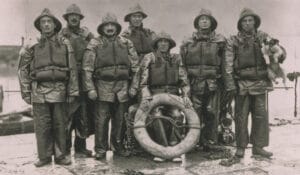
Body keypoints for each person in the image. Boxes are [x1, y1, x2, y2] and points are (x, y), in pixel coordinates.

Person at [18, 8, 78, 167]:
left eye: (49, 21)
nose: (46, 24)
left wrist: (72, 90)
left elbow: (72, 68)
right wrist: (25, 91)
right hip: (39, 90)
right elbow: (22, 68)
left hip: (60, 89)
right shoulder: (32, 43)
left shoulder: (65, 43)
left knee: (61, 124)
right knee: (42, 125)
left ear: (55, 24)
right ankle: (44, 156)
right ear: (39, 25)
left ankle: (61, 155)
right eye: (42, 22)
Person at [223, 8, 286, 158]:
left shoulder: (263, 37)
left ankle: (258, 147)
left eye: (250, 20)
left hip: (260, 83)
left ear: (255, 22)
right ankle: (240, 147)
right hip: (241, 84)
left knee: (260, 117)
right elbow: (227, 64)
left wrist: (279, 53)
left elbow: (279, 52)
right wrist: (230, 84)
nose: (247, 23)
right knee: (241, 117)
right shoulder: (234, 40)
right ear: (240, 24)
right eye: (244, 21)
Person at [82, 12, 139, 160]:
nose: (109, 28)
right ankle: (100, 149)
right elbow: (87, 68)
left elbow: (135, 68)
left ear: (117, 27)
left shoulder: (126, 43)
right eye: (106, 25)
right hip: (102, 87)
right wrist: (90, 88)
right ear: (102, 28)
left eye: (112, 25)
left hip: (122, 87)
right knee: (101, 120)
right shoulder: (95, 44)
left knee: (120, 119)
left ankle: (118, 146)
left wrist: (134, 86)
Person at [132, 32, 190, 162]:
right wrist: (146, 97)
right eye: (161, 41)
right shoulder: (149, 58)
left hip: (173, 96)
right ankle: (162, 150)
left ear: (170, 44)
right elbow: (143, 83)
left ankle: (174, 150)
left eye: (166, 41)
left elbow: (184, 81)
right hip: (155, 96)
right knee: (157, 116)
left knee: (177, 115)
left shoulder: (177, 58)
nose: (163, 44)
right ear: (156, 44)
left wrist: (186, 95)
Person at [180, 8, 226, 151]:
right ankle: (192, 142)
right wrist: (184, 84)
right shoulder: (187, 41)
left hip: (213, 83)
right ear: (197, 23)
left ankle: (211, 142)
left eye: (207, 19)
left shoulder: (220, 41)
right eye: (202, 19)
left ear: (212, 23)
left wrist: (226, 83)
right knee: (194, 112)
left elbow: (225, 63)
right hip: (194, 83)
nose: (204, 21)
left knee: (212, 112)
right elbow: (182, 64)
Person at [121, 2, 156, 154]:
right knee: (128, 109)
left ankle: (148, 141)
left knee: (147, 106)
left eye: (139, 16)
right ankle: (128, 141)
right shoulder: (124, 36)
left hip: (149, 75)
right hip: (130, 75)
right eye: (134, 16)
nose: (137, 19)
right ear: (129, 19)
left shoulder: (150, 34)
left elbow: (158, 49)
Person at [60, 3, 94, 158]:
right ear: (67, 18)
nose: (74, 18)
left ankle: (80, 147)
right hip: (68, 78)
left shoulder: (86, 35)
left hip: (84, 78)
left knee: (83, 114)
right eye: (71, 16)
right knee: (67, 115)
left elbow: (96, 49)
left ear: (80, 18)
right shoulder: (61, 35)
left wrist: (90, 37)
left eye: (77, 16)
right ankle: (65, 148)